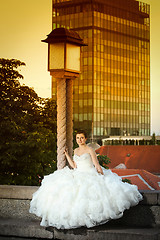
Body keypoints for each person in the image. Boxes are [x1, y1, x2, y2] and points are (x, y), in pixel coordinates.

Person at [29, 130, 142, 229]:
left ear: (86, 138)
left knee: (89, 198)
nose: (79, 140)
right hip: (78, 173)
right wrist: (67, 155)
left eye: (82, 137)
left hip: (89, 173)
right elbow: (74, 166)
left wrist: (102, 176)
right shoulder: (75, 150)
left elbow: (96, 165)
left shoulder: (90, 150)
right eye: (78, 138)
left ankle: (88, 221)